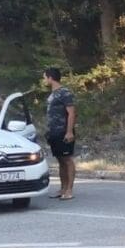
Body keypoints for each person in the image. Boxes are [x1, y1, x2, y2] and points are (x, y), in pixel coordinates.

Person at [43, 67, 77, 200]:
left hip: (63, 131)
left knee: (67, 160)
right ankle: (62, 188)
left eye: (45, 77)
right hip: (54, 132)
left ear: (50, 77)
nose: (44, 80)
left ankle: (69, 190)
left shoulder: (64, 92)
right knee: (60, 160)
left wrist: (69, 131)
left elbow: (71, 113)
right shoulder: (53, 93)